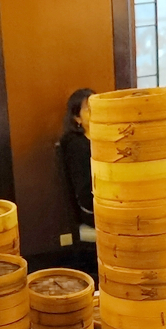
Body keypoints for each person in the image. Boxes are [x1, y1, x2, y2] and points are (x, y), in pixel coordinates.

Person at [59, 88, 95, 227]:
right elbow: (84, 192)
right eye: (88, 109)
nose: (94, 112)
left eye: (96, 107)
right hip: (93, 210)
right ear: (77, 118)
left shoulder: (106, 138)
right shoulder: (76, 145)